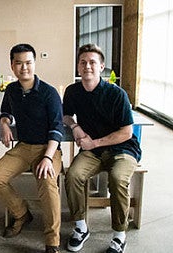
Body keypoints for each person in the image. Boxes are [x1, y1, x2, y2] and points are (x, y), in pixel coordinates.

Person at [63, 44, 141, 253]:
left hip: (123, 149)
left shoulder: (117, 94)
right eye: (83, 62)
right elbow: (66, 115)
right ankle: (80, 227)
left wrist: (94, 143)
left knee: (117, 179)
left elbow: (126, 132)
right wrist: (75, 126)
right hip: (93, 152)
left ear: (101, 67)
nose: (87, 66)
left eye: (92, 62)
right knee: (73, 175)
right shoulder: (73, 91)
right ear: (78, 67)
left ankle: (119, 235)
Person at [0, 44, 63, 253]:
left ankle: (52, 240)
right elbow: (6, 112)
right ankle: (22, 214)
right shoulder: (11, 89)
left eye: (28, 63)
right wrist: (4, 124)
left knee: (48, 183)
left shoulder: (49, 93)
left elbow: (57, 128)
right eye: (18, 63)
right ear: (12, 65)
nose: (24, 68)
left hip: (48, 149)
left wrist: (47, 158)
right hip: (23, 148)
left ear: (34, 64)